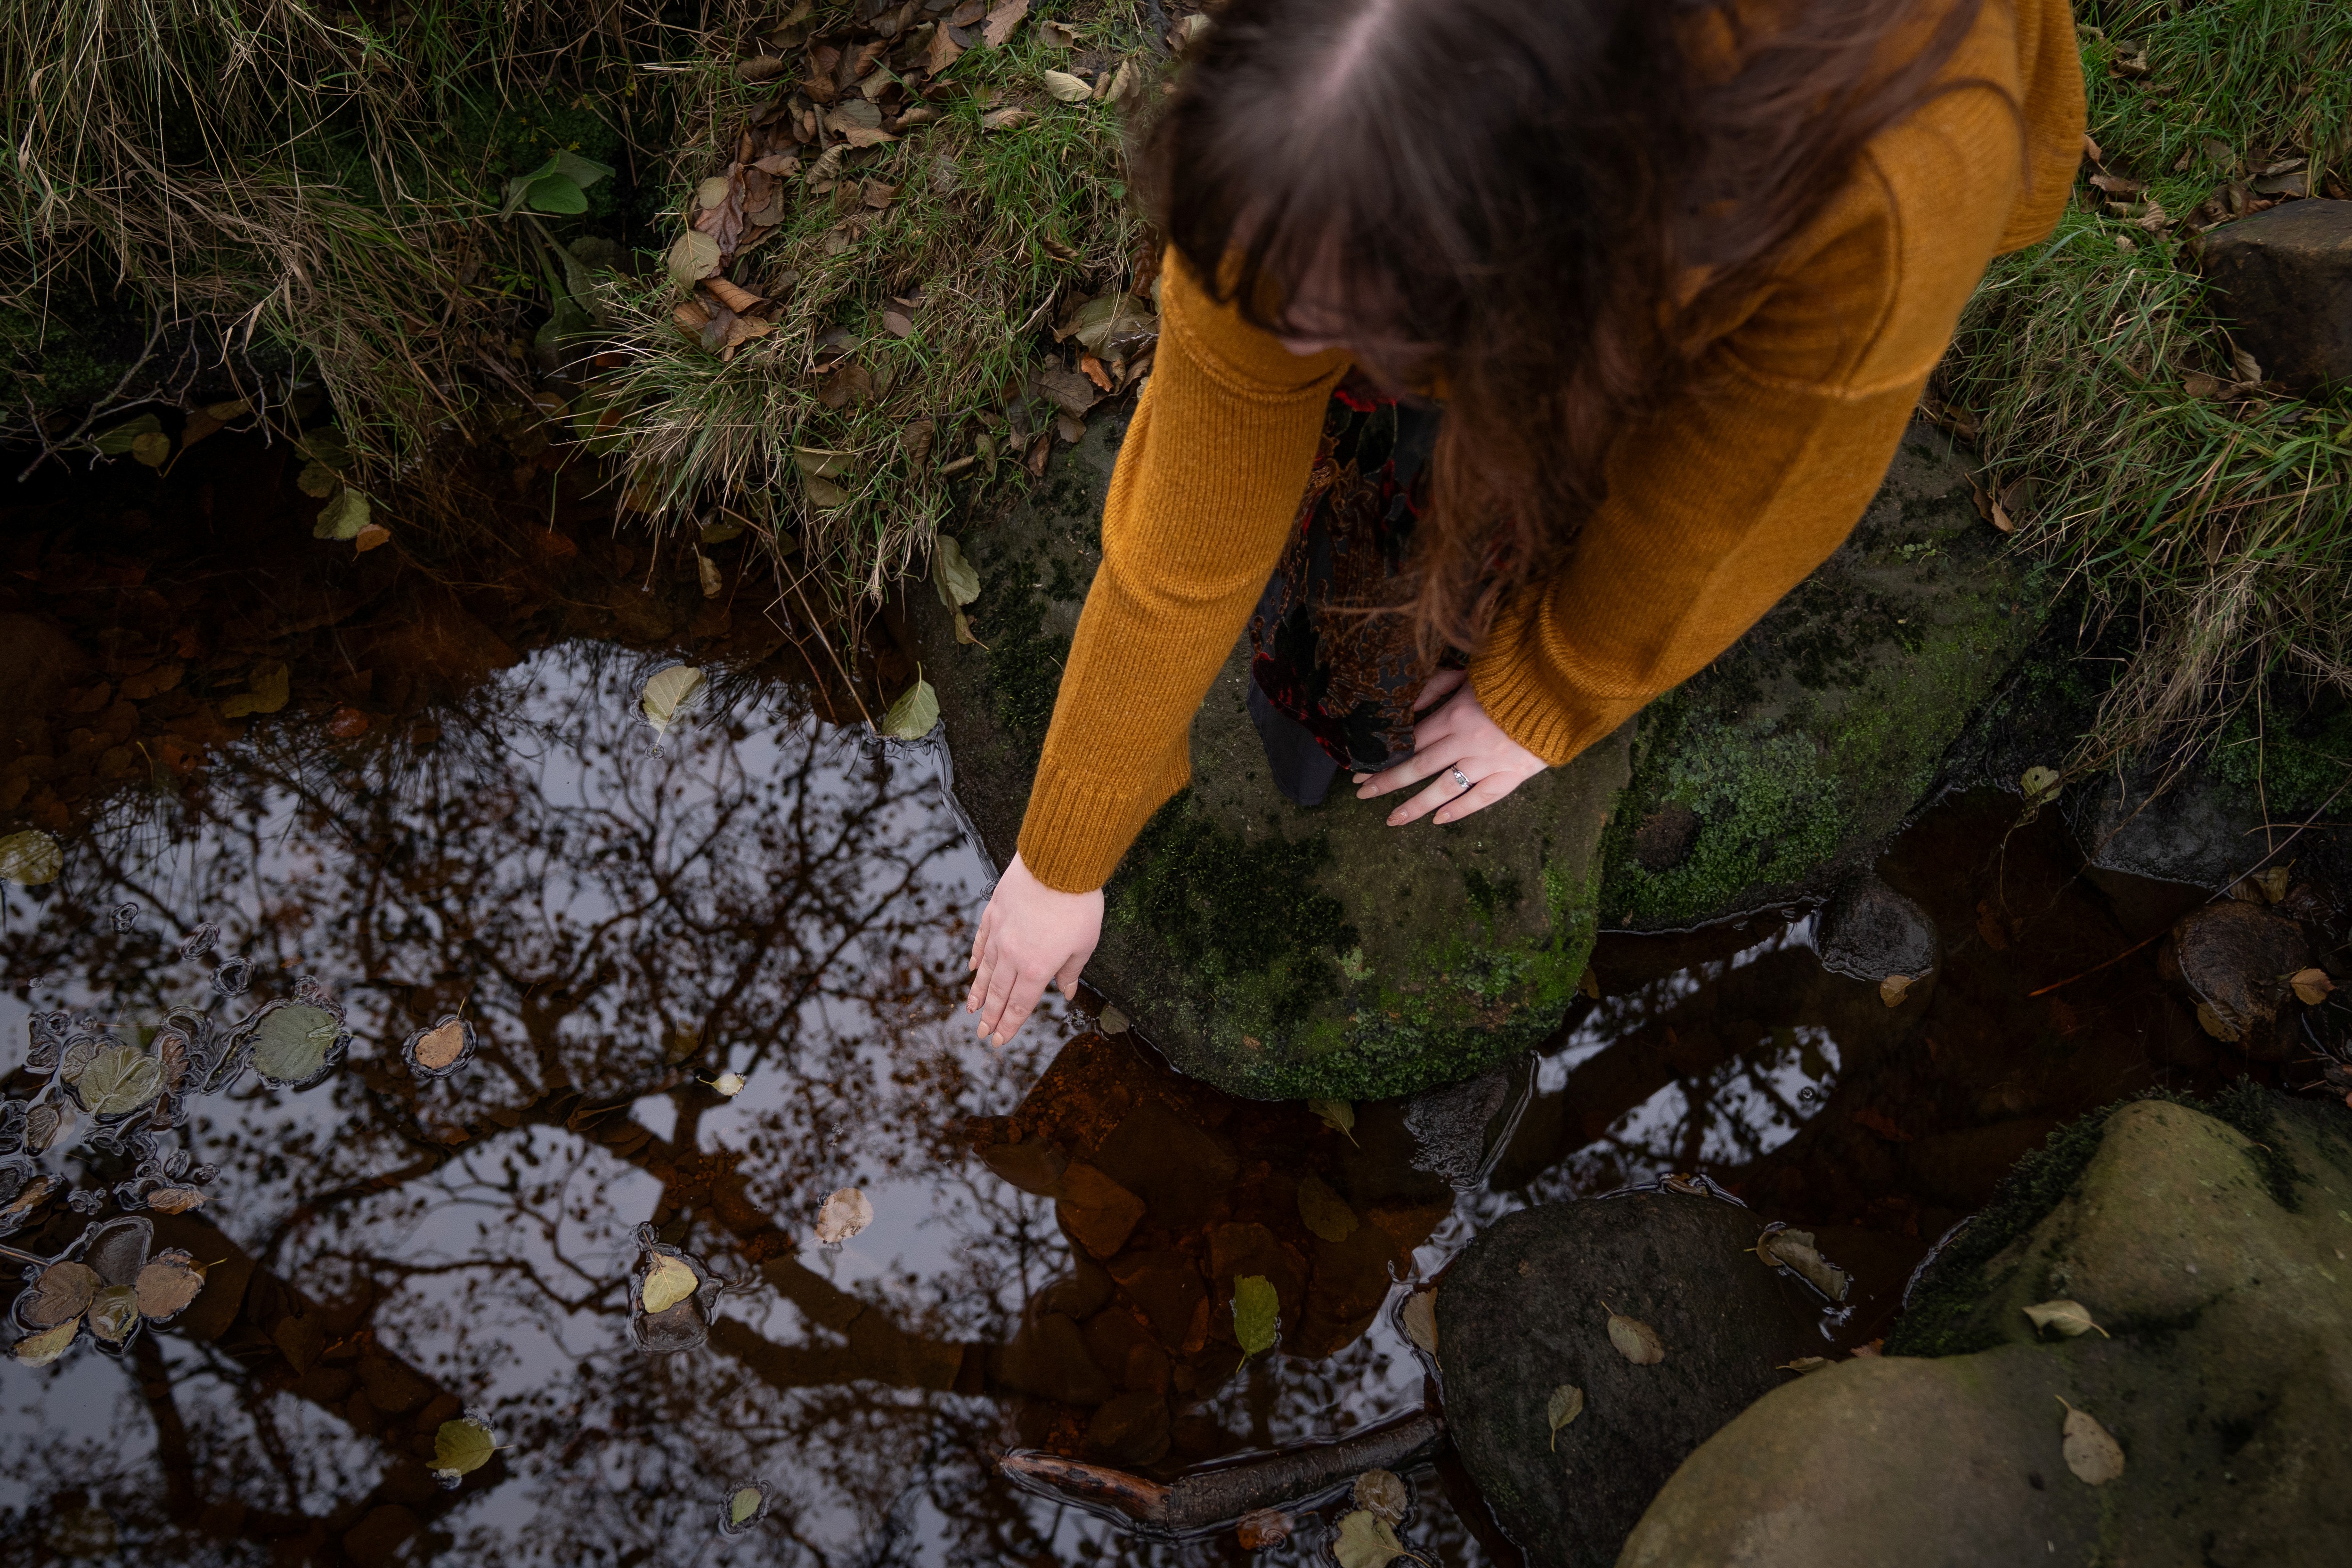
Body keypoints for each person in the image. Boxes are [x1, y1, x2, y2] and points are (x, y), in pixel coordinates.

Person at [965, 0, 2084, 1045]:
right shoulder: (1317, 97)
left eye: (1346, 318)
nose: (1287, 338)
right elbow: (1193, 527)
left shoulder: (1876, 199)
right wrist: (1064, 856)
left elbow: (1737, 512)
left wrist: (1554, 685)